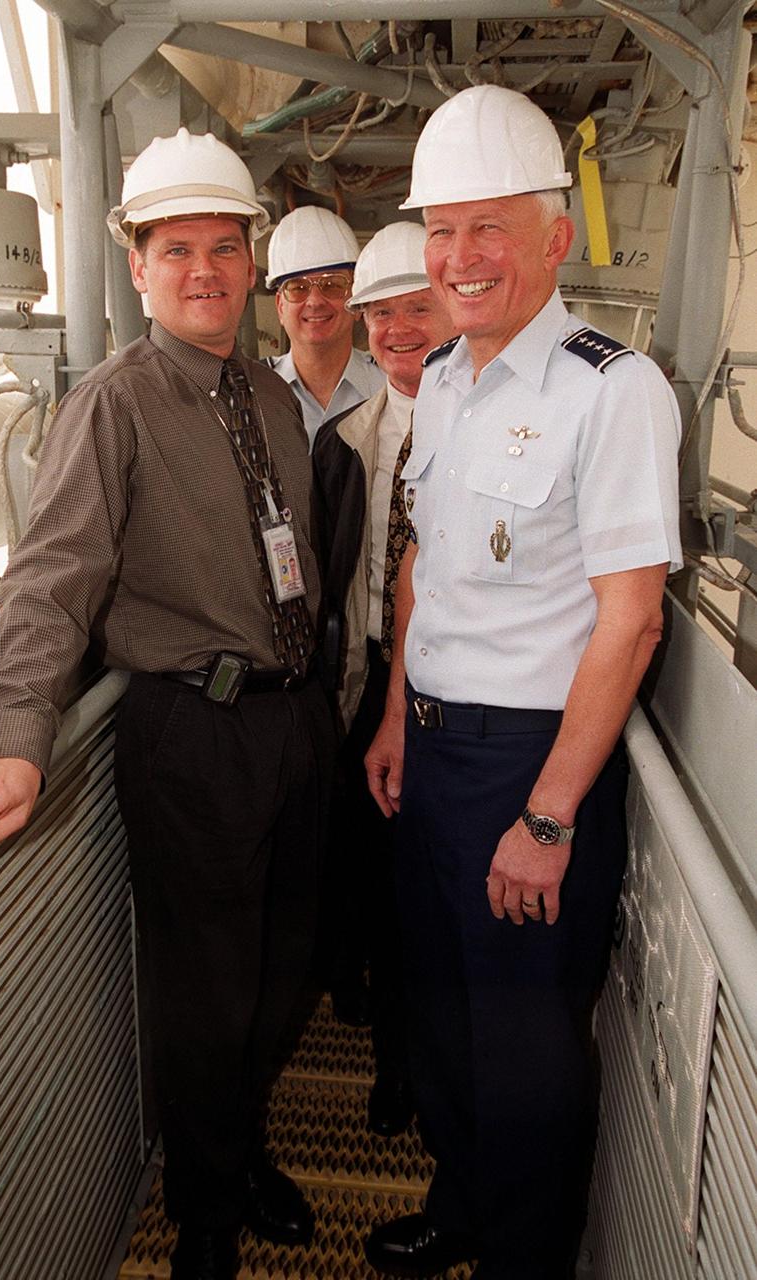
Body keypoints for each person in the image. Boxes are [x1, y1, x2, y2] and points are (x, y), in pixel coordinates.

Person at [0, 127, 334, 1280]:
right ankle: (203, 1209)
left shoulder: (270, 395)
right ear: (138, 267)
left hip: (294, 722)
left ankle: (240, 1151)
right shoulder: (113, 402)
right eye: (176, 248)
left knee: (286, 962)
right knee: (204, 990)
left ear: (250, 265)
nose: (204, 269)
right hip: (191, 731)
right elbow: (47, 585)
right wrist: (16, 744)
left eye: (223, 248)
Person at [361, 85, 682, 1280]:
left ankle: (522, 1255)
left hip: (531, 762)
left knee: (527, 1045)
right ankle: (459, 1200)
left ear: (555, 234)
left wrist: (547, 816)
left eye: (487, 226)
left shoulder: (611, 390)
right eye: (440, 229)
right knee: (442, 1011)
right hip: (436, 752)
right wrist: (397, 712)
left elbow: (631, 620)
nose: (459, 257)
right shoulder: (442, 379)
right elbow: (423, 568)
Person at [313, 221, 454, 1138]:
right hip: (371, 691)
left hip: (460, 703)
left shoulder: (494, 426)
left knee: (434, 897)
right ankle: (395, 1063)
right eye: (380, 315)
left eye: (416, 308)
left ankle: (420, 1063)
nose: (397, 330)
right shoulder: (345, 442)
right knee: (379, 882)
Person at [266, 205, 384, 449]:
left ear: (355, 299)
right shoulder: (255, 392)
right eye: (298, 288)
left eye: (332, 284)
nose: (315, 301)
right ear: (280, 306)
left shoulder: (391, 385)